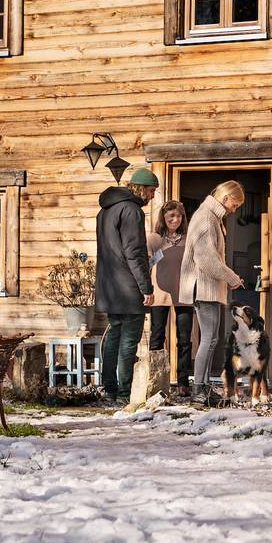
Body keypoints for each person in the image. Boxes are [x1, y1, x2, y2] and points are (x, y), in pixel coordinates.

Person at [95, 166, 159, 403]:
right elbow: (133, 252)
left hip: (109, 285)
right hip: (128, 285)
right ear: (141, 188)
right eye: (151, 191)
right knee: (128, 339)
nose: (152, 196)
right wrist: (146, 287)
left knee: (114, 335)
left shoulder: (105, 210)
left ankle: (109, 389)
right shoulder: (131, 211)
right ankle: (124, 392)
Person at [179, 180, 245, 406]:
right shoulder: (206, 217)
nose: (234, 210)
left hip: (209, 286)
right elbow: (207, 260)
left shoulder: (211, 217)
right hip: (204, 286)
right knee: (208, 339)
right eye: (234, 205)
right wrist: (232, 278)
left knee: (211, 338)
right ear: (226, 199)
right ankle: (199, 389)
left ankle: (204, 388)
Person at [147, 200, 195, 396]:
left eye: (178, 216)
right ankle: (155, 381)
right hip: (159, 293)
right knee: (157, 336)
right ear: (163, 219)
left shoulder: (188, 239)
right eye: (170, 217)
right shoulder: (155, 239)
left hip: (184, 293)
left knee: (184, 339)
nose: (175, 220)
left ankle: (183, 382)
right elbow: (146, 264)